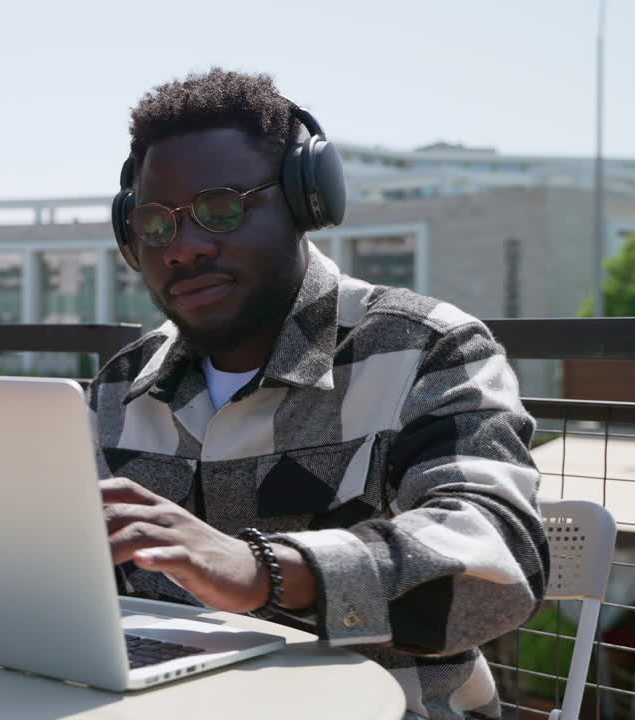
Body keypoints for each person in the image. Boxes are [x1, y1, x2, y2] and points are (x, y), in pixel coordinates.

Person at [92, 68, 548, 720]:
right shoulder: (118, 387)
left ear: (306, 204)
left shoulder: (426, 350)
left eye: (219, 210)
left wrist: (264, 571)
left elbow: (495, 565)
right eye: (155, 224)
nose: (184, 248)